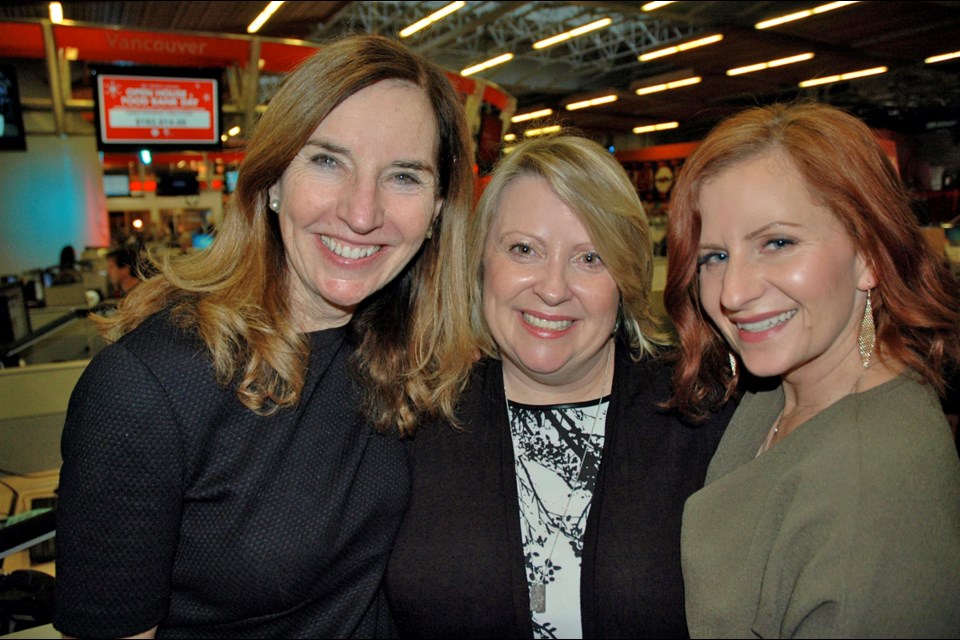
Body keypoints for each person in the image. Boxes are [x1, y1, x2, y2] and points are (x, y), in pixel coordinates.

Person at [53, 33, 473, 638]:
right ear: (273, 180)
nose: (362, 213)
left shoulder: (415, 357)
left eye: (404, 176)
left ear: (437, 210)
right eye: (328, 160)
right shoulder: (146, 391)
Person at [386, 135, 735, 638]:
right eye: (524, 249)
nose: (552, 289)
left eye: (590, 258)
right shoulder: (416, 413)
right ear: (481, 263)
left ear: (626, 276)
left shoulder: (699, 410)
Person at [664, 102, 960, 638]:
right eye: (714, 256)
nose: (733, 293)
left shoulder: (876, 484)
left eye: (777, 243)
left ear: (869, 254)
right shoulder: (780, 391)